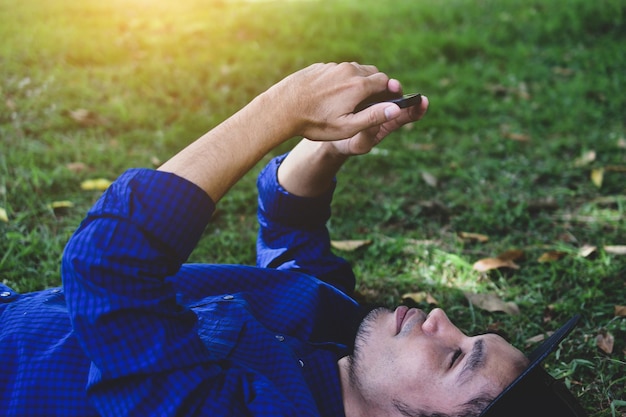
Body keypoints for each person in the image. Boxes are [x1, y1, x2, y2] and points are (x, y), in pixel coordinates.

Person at [0, 62, 587, 417]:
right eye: (468, 328)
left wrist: (278, 109)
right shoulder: (340, 339)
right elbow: (291, 237)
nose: (439, 317)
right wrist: (326, 147)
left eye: (456, 356)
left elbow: (108, 265)